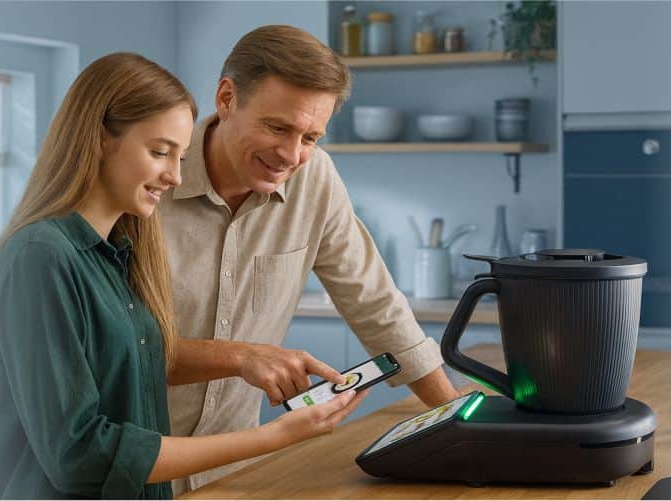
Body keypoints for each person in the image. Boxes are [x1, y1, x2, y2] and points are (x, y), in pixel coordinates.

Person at [0, 52, 370, 500]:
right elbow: (80, 455)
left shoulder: (122, 255)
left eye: (179, 156)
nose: (175, 177)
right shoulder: (41, 257)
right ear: (100, 137)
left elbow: (140, 374)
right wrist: (275, 437)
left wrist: (247, 359)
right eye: (159, 152)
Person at [157, 26, 462, 494]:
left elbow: (375, 303)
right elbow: (115, 350)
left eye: (310, 137)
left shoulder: (314, 177)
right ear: (226, 97)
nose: (290, 155)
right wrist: (239, 356)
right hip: (133, 471)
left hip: (234, 472)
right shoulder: (149, 181)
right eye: (278, 128)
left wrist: (454, 420)